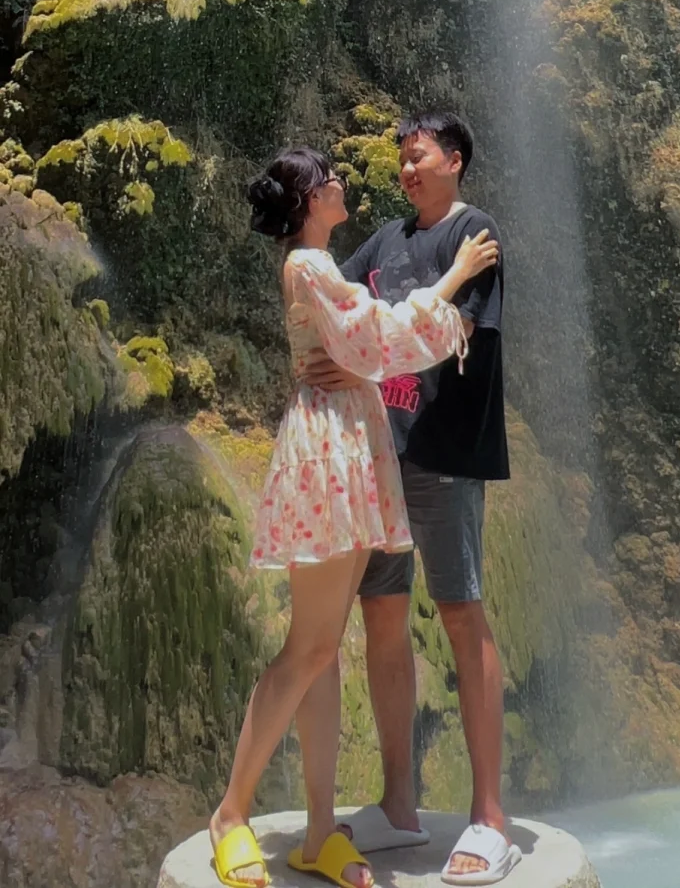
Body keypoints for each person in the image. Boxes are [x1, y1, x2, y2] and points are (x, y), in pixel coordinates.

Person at [208, 146, 499, 888]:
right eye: (326, 174)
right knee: (307, 649)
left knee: (323, 649)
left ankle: (316, 832)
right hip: (327, 452)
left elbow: (366, 346)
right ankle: (230, 814)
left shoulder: (322, 264)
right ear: (307, 198)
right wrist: (458, 276)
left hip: (346, 444)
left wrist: (364, 358)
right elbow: (379, 337)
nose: (341, 178)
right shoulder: (307, 265)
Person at [303, 111, 518, 887]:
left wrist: (357, 358)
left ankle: (490, 817)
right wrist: (331, 350)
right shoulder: (386, 240)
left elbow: (447, 332)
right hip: (378, 456)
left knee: (461, 611)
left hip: (442, 454)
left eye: (419, 153)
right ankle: (399, 805)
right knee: (382, 618)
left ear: (454, 158)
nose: (406, 167)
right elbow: (339, 306)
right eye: (400, 157)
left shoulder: (475, 233)